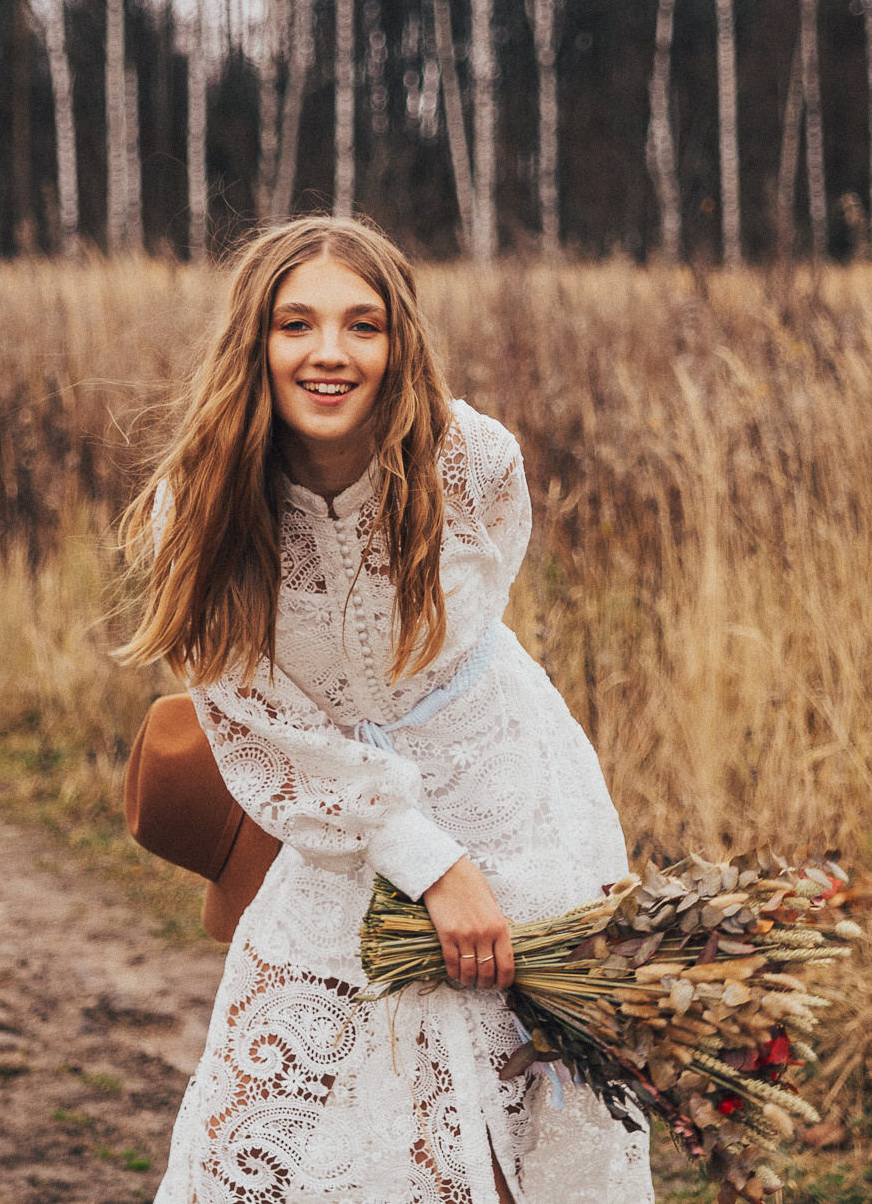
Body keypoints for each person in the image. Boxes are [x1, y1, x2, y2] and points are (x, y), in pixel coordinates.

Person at [118, 216, 651, 1203]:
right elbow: (258, 716)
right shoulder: (192, 504)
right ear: (256, 342)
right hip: (331, 811)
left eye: (362, 326)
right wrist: (422, 858)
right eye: (297, 325)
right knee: (281, 1119)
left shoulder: (471, 464)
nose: (329, 353)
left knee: (521, 1101)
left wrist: (472, 856)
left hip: (503, 784)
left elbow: (472, 647)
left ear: (398, 343)